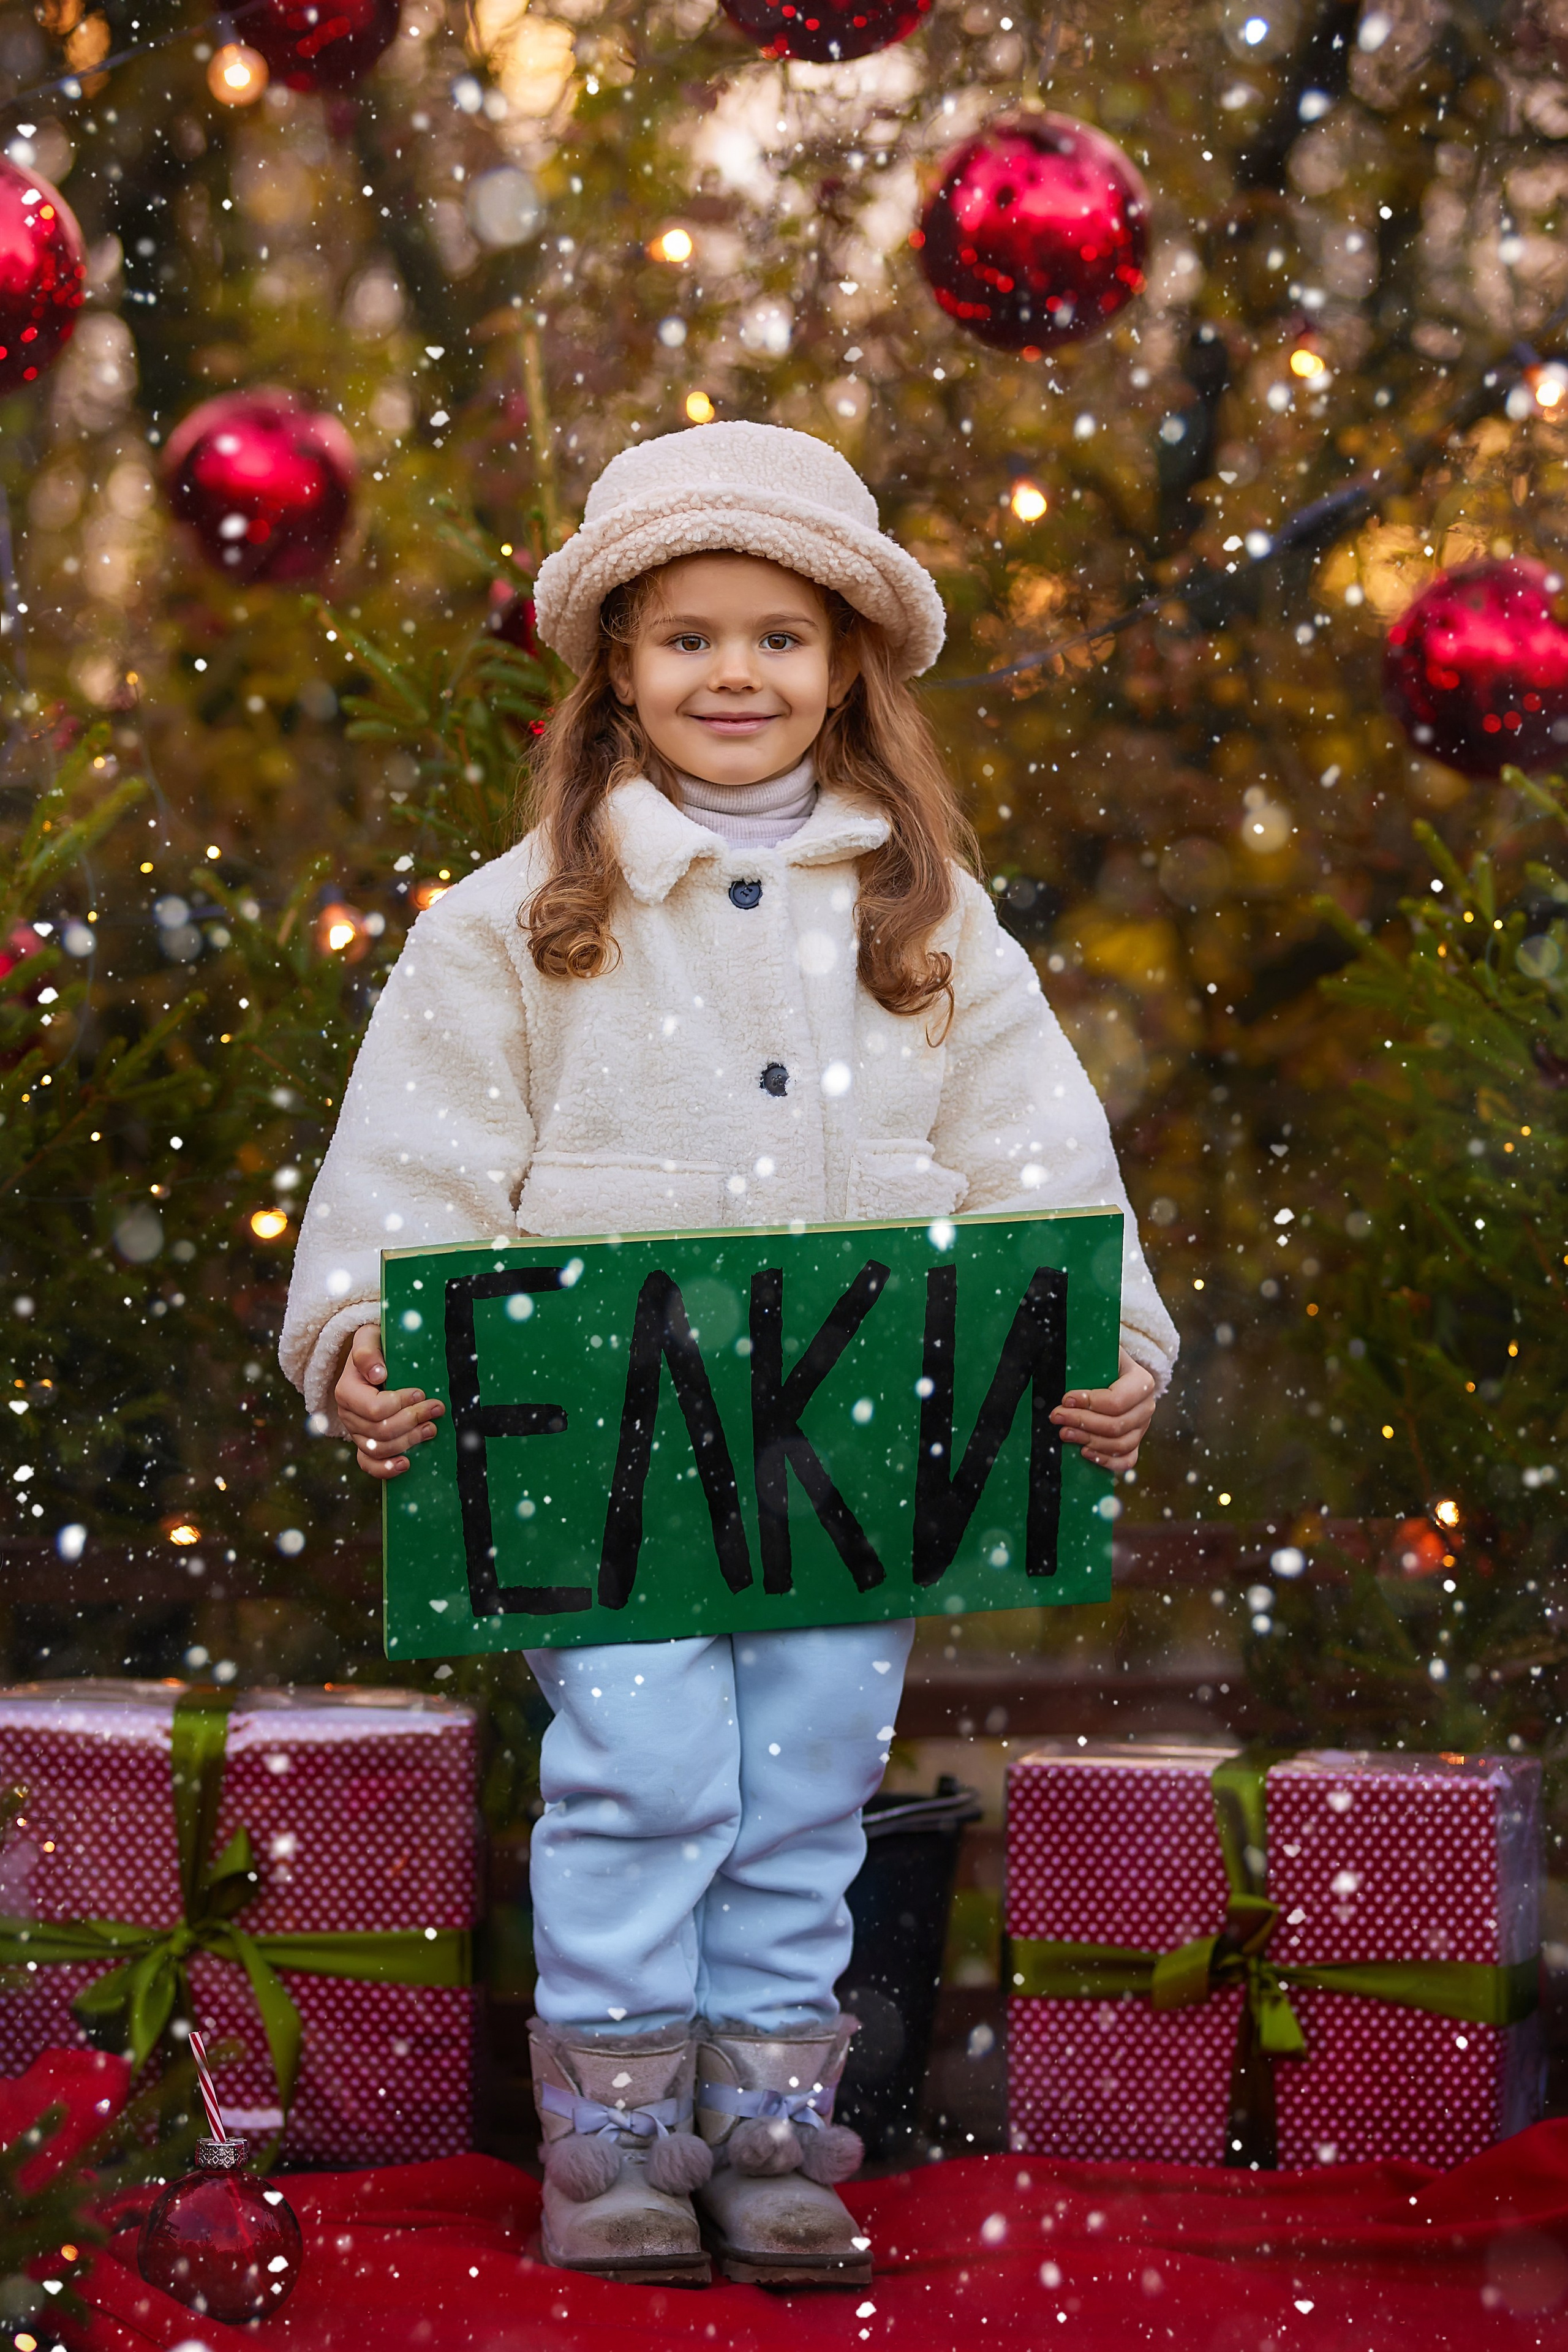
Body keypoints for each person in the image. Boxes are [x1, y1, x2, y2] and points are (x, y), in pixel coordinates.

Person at [280, 421, 1178, 2288]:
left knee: (807, 1777)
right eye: (688, 636)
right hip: (603, 1453)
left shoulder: (930, 925)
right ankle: (611, 2132)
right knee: (647, 1768)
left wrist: (1113, 1346)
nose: (734, 674)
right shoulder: (511, 927)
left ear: (847, 658)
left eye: (777, 635)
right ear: (616, 664)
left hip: (860, 1451)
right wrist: (365, 1334)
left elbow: (1043, 1160)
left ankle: (776, 2119)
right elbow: (413, 1170)